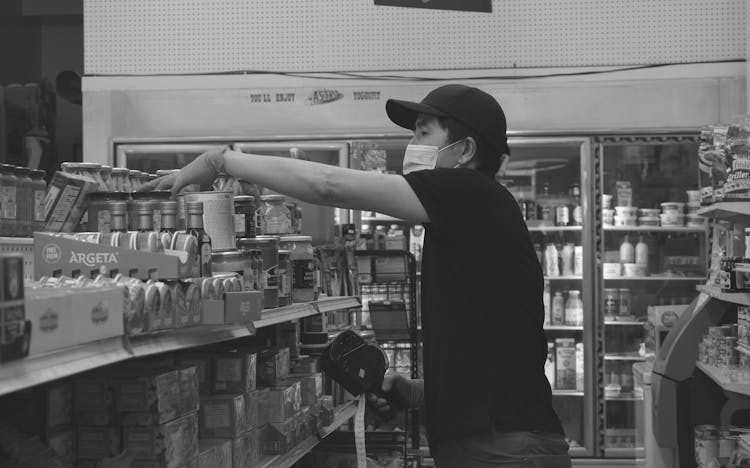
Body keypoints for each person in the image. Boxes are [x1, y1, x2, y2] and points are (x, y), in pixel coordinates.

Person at [141, 84, 571, 468]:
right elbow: (495, 356)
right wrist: (417, 392)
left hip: (505, 452)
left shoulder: (471, 192)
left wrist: (221, 160)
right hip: (495, 445)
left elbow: (328, 185)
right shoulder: (471, 217)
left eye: (424, 132)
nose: (412, 143)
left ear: (465, 151)